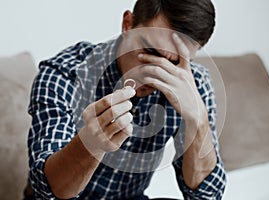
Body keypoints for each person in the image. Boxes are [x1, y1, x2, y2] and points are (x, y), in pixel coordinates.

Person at [26, 0, 226, 199]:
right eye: (149, 52)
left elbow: (207, 196)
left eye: (174, 63)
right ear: (127, 24)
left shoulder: (194, 84)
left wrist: (198, 120)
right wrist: (90, 145)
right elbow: (46, 192)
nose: (155, 73)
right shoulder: (65, 74)